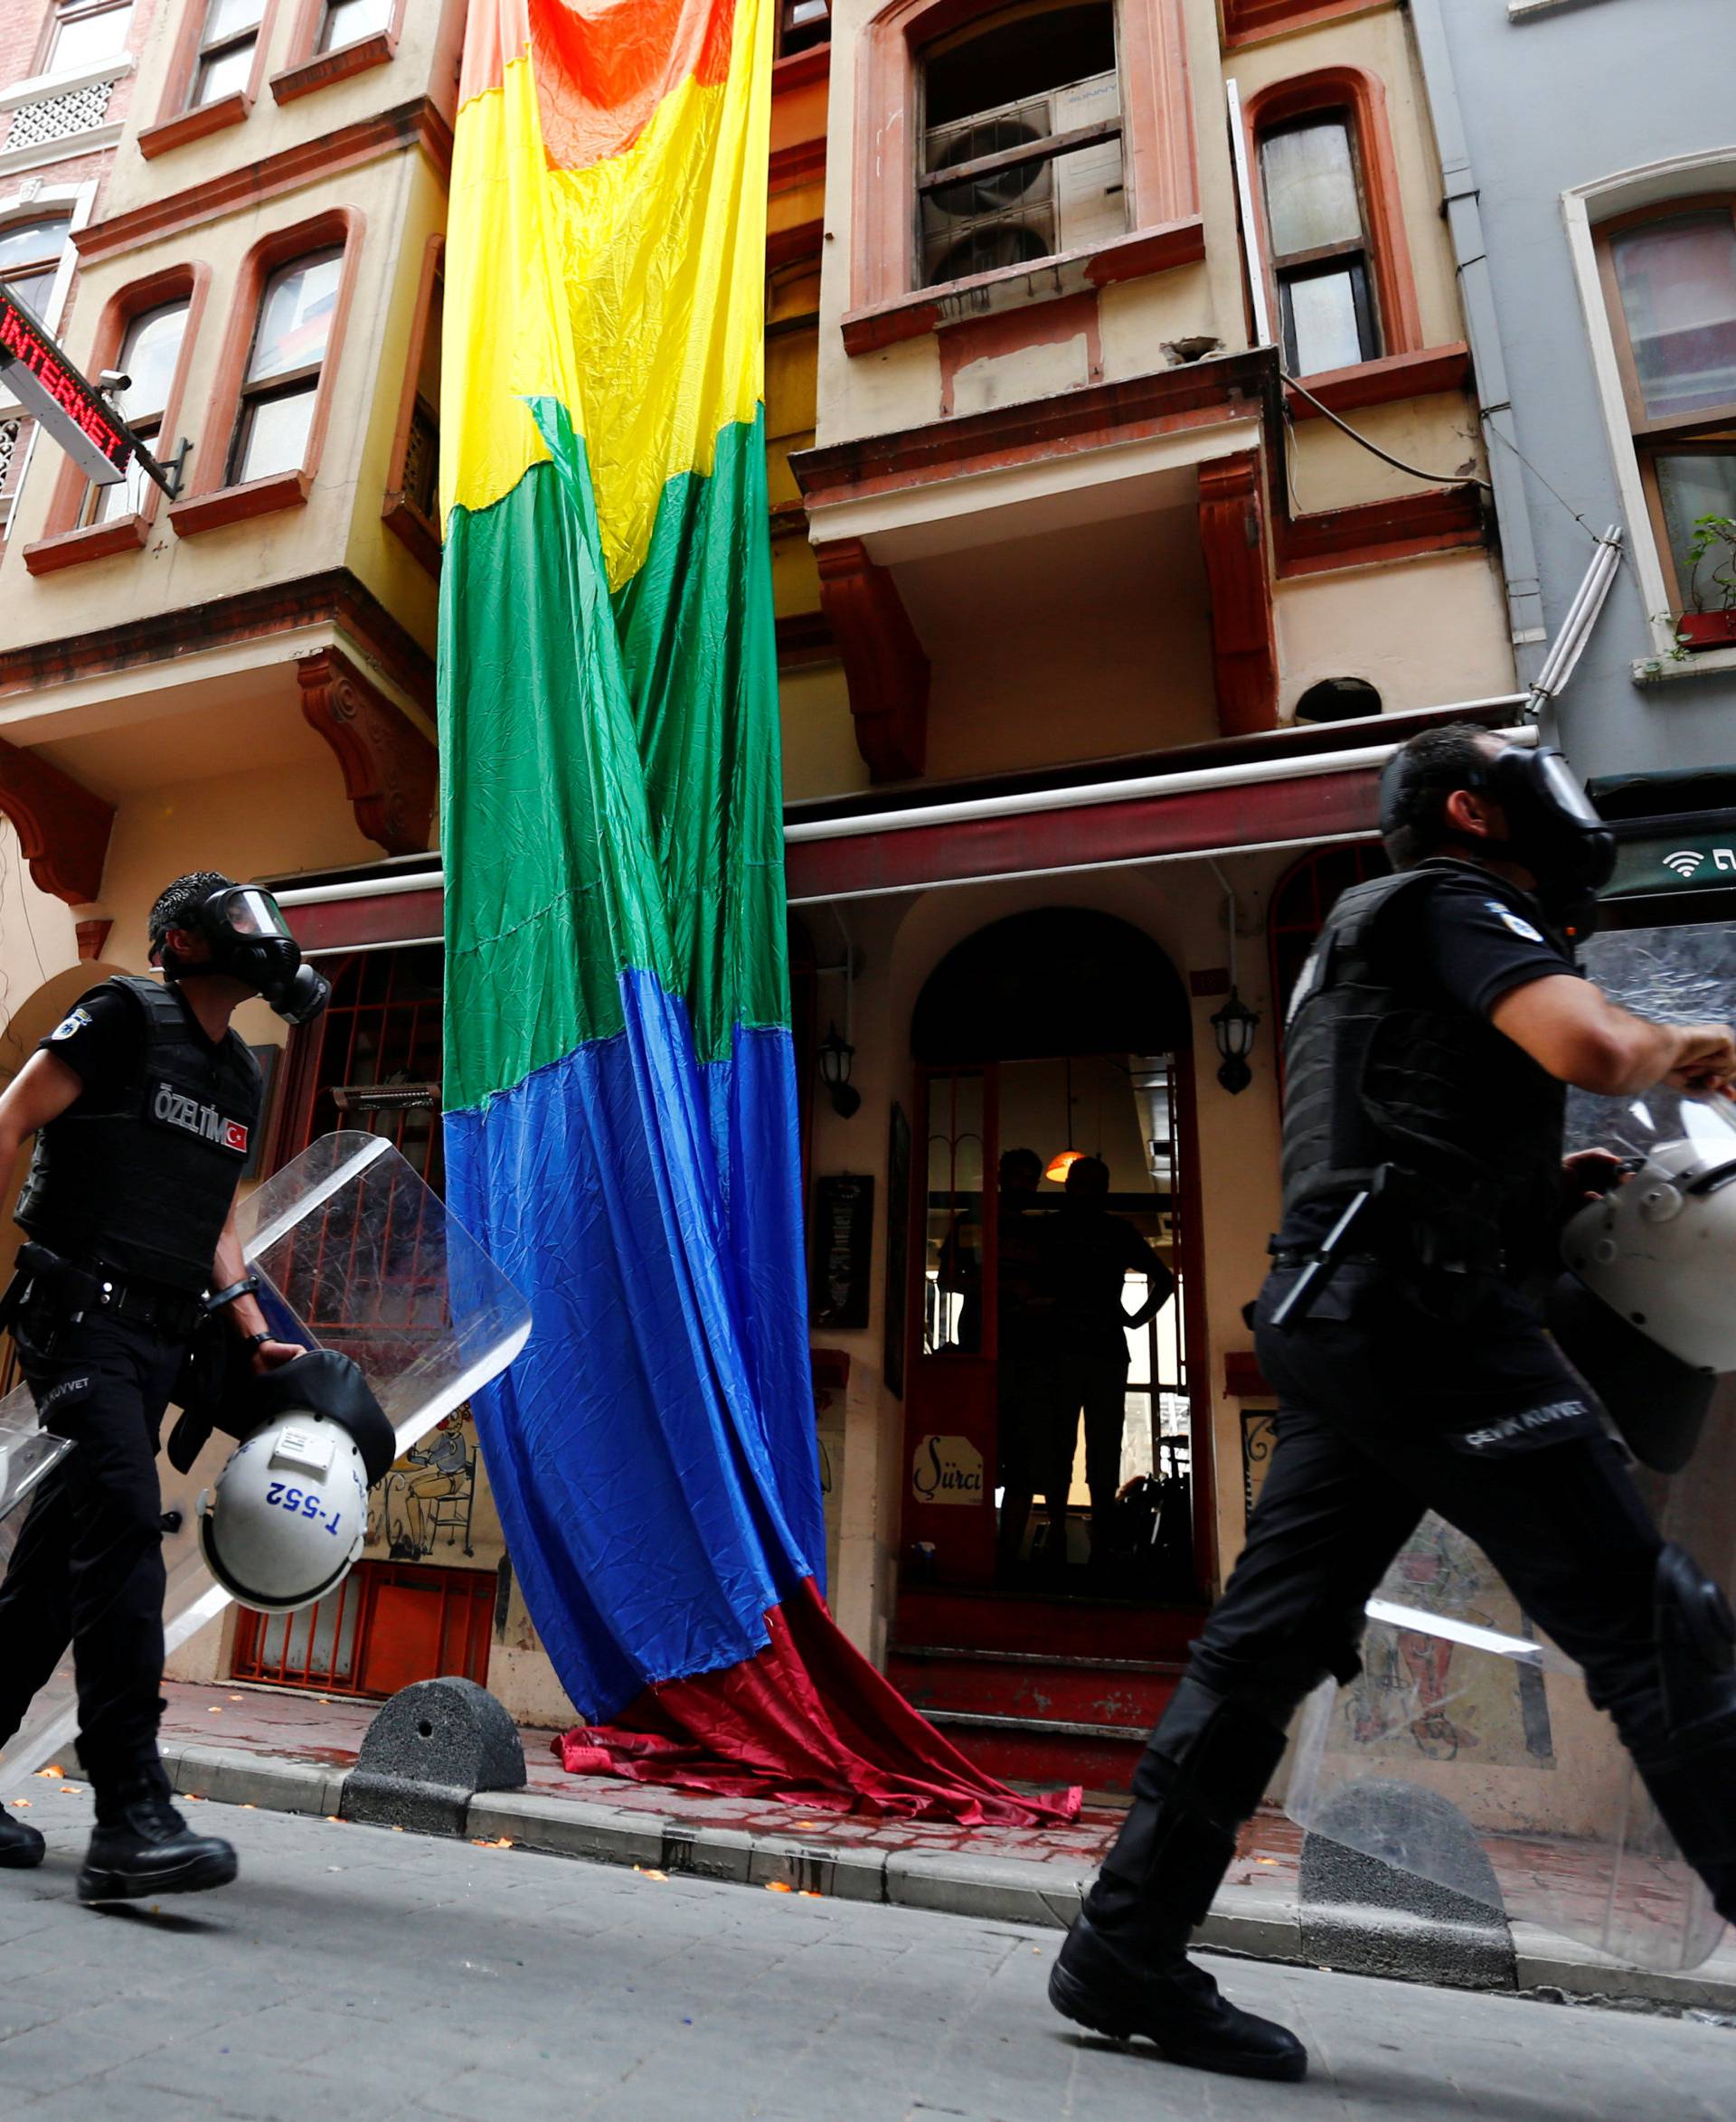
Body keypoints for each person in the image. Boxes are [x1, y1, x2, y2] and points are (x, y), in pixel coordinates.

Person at [1050, 724, 1736, 2083]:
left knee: (1259, 1651)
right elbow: (1590, 1043)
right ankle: (1126, 1941)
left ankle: (1125, 1942)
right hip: (1432, 1327)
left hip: (1344, 1317)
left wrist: (1544, 1192)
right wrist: (1685, 1046)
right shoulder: (1452, 897)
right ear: (1475, 810)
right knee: (1657, 1625)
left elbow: (1394, 1127)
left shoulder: (1354, 939)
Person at [0, 872, 326, 1903]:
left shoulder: (240, 1075)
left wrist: (248, 1321)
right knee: (125, 1529)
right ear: (184, 943)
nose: (261, 937)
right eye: (239, 922)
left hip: (155, 1333)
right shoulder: (119, 1015)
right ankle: (128, 1815)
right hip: (78, 1316)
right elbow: (11, 1117)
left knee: (56, 1564)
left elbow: (214, 1208)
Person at [1039, 1155, 1175, 1575]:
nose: (1085, 1191)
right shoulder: (1116, 1231)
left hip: (1067, 1346)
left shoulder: (1053, 1228)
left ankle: (1062, 1529)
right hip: (1101, 1348)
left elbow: (1165, 1279)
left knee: (1064, 1442)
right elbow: (1164, 1278)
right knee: (1099, 1443)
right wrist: (1134, 1318)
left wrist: (1135, 1318)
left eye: (1087, 1183)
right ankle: (1094, 1534)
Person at [991, 1147, 1061, 1580]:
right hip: (982, 1353)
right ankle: (981, 1553)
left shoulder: (1043, 1233)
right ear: (1000, 1176)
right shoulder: (977, 1221)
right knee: (982, 1455)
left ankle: (1006, 1558)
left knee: (1022, 1463)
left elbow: (1059, 1290)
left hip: (1031, 1355)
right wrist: (1002, 1289)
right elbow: (951, 1278)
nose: (1021, 1184)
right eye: (1015, 1175)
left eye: (1028, 1178)